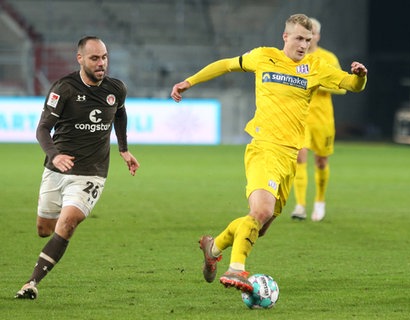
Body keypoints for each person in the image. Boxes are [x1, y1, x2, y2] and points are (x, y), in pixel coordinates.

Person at [170, 13, 367, 293]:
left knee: (259, 227)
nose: (303, 45)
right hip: (263, 148)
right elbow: (226, 65)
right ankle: (236, 269)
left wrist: (360, 76)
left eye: (308, 41)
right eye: (298, 38)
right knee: (260, 211)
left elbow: (351, 85)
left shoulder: (316, 66)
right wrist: (190, 81)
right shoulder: (263, 57)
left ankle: (212, 247)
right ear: (285, 37)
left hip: (289, 157)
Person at [15, 36, 140, 299]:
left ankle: (31, 283)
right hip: (56, 169)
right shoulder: (64, 88)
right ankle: (51, 241)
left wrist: (124, 149)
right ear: (80, 58)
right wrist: (55, 155)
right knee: (44, 230)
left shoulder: (116, 89)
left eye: (104, 57)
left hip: (92, 173)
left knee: (69, 221)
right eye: (95, 58)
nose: (101, 63)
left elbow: (120, 112)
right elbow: (42, 129)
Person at [290, 17, 346, 222]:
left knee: (321, 161)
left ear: (317, 35)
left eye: (310, 32)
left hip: (322, 119)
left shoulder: (328, 58)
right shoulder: (295, 58)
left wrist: (316, 83)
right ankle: (300, 205)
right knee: (299, 157)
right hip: (300, 118)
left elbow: (341, 87)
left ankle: (320, 201)